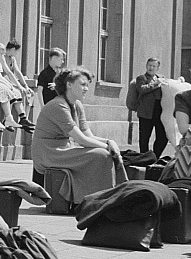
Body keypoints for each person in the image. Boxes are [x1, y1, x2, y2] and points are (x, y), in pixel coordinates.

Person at [31, 67, 127, 205]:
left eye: (87, 85)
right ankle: (101, 200)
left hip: (62, 149)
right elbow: (81, 140)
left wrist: (110, 142)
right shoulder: (58, 105)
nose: (86, 89)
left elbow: (87, 135)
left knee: (103, 153)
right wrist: (108, 149)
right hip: (48, 152)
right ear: (69, 84)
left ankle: (109, 197)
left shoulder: (77, 105)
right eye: (82, 84)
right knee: (101, 155)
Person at [134, 57, 169, 157]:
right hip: (146, 112)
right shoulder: (141, 78)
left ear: (158, 68)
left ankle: (155, 156)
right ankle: (144, 158)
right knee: (144, 138)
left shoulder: (161, 77)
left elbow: (169, 87)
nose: (151, 68)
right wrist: (156, 83)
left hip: (159, 111)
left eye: (154, 66)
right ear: (146, 66)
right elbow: (142, 89)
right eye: (149, 65)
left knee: (162, 137)